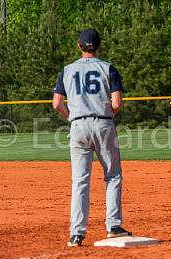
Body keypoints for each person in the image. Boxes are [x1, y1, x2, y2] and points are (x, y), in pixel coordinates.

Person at [53, 28, 131, 247]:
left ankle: (76, 233)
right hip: (103, 123)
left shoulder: (66, 70)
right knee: (113, 175)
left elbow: (57, 104)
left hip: (77, 125)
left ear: (79, 46)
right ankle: (113, 225)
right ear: (99, 46)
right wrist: (105, 116)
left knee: (80, 181)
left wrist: (73, 118)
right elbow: (116, 103)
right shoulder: (108, 68)